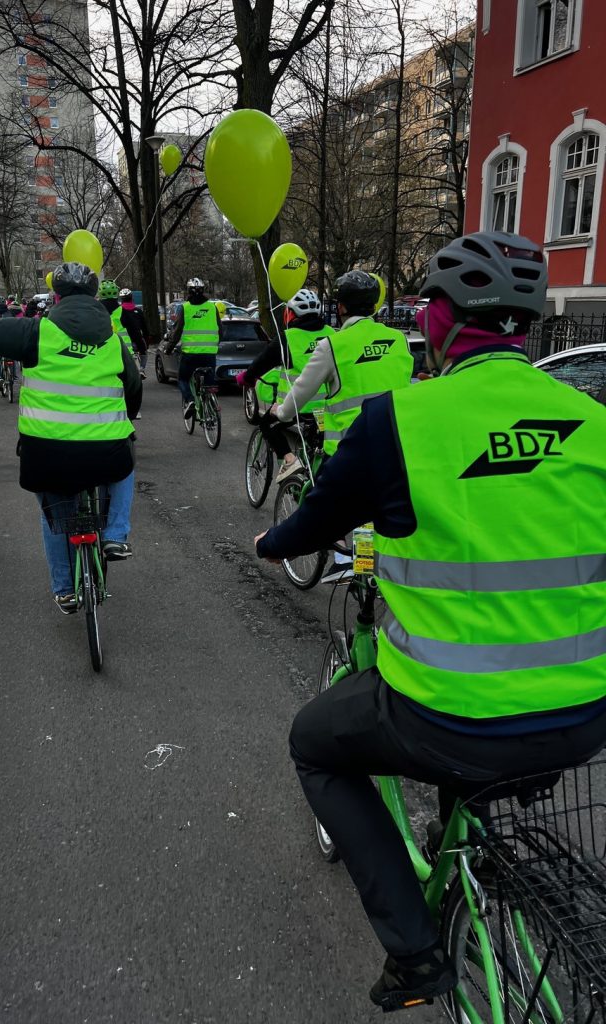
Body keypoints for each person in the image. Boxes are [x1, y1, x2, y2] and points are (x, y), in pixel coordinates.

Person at [254, 231, 606, 1010]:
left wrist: (269, 543)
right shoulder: (594, 422)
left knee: (315, 746)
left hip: (451, 716)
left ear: (439, 320)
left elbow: (312, 523)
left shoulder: (399, 423)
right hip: (585, 713)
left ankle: (415, 954)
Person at [0, 259, 142, 613]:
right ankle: (116, 535)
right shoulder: (113, 342)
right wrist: (123, 423)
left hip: (46, 455)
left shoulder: (36, 332)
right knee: (127, 457)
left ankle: (65, 589)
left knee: (55, 515)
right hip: (107, 453)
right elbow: (133, 391)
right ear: (94, 297)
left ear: (56, 297)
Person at [274, 271, 412, 582]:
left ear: (341, 307)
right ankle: (375, 573)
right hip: (397, 447)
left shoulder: (333, 346)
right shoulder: (398, 340)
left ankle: (343, 561)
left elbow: (300, 392)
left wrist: (281, 413)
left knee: (328, 507)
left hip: (348, 452)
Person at [238, 288, 334, 484]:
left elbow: (261, 363)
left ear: (290, 314)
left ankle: (290, 461)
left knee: (266, 424)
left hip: (297, 407)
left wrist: (246, 378)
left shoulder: (287, 338)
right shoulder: (332, 334)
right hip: (328, 407)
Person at [164, 278, 222, 419]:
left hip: (190, 355)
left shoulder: (185, 308)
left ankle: (190, 400)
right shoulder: (212, 307)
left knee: (182, 379)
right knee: (209, 384)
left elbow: (177, 332)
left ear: (188, 292)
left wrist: (169, 348)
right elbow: (220, 330)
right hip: (209, 354)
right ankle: (211, 406)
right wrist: (215, 344)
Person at [119, 288, 149, 379]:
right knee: (144, 352)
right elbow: (144, 328)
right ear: (131, 298)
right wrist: (147, 341)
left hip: (124, 340)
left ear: (121, 299)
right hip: (137, 339)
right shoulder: (138, 311)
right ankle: (142, 369)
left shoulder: (119, 312)